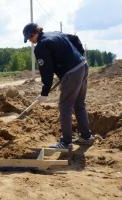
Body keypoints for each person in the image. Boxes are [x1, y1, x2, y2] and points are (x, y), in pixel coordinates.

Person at [23, 22, 94, 150]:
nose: (30, 41)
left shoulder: (41, 47)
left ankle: (66, 143)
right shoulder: (56, 33)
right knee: (79, 104)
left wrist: (44, 92)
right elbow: (75, 39)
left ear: (34, 34)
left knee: (65, 106)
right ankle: (86, 137)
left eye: (29, 38)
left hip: (71, 72)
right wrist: (79, 56)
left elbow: (47, 72)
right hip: (83, 65)